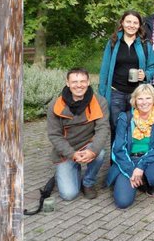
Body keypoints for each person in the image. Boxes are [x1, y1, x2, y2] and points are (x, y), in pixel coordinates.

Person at [45, 68, 109, 200]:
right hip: (66, 151)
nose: (79, 85)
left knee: (100, 153)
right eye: (74, 82)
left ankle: (88, 182)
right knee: (69, 195)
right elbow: (54, 135)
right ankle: (68, 170)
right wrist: (72, 154)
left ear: (88, 82)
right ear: (67, 83)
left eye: (82, 81)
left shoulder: (100, 101)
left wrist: (92, 151)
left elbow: (103, 129)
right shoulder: (55, 105)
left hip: (87, 145)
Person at [104, 84, 154, 209]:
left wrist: (140, 167)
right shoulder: (125, 118)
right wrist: (131, 170)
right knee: (122, 202)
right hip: (129, 160)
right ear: (134, 100)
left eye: (148, 98)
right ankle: (135, 180)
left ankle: (147, 181)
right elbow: (118, 148)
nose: (144, 102)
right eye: (140, 99)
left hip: (150, 159)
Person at [97, 10, 154, 140]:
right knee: (116, 128)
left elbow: (153, 66)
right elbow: (105, 69)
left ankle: (131, 159)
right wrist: (101, 93)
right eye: (128, 21)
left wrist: (146, 74)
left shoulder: (145, 44)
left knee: (135, 127)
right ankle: (116, 159)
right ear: (122, 23)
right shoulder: (113, 42)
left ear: (139, 25)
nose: (131, 25)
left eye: (135, 22)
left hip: (136, 95)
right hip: (115, 93)